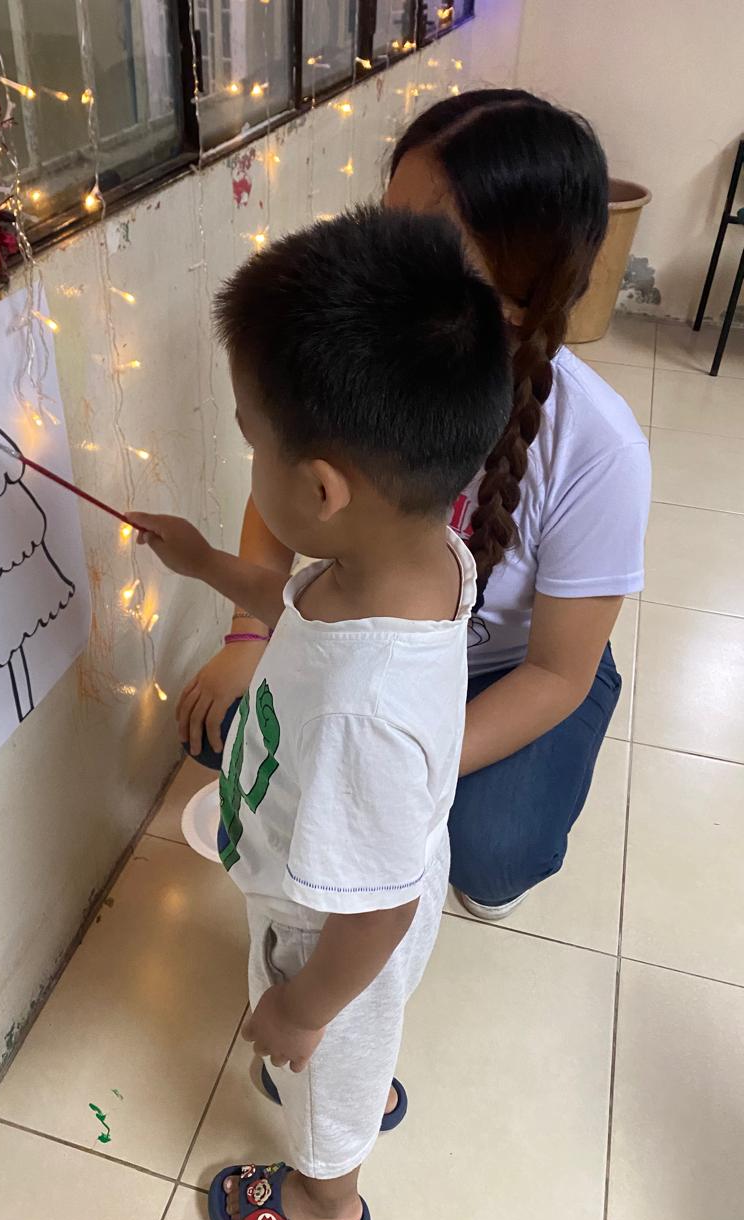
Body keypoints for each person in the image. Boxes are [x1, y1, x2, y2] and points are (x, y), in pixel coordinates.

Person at [129, 206, 513, 1220]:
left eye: (253, 442)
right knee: (347, 1041)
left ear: (322, 487)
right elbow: (293, 603)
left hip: (332, 926)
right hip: (353, 884)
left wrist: (304, 1006)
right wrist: (207, 561)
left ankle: (323, 1200)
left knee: (324, 1070)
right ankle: (356, 1070)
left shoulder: (364, 713)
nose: (249, 461)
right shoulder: (406, 560)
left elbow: (380, 906)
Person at [180, 90, 651, 919]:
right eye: (383, 225)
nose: (379, 264)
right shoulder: (366, 356)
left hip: (513, 666)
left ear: (520, 287)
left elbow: (557, 672)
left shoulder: (598, 448)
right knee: (230, 738)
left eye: (423, 244)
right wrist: (249, 639)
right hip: (373, 637)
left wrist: (401, 769)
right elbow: (280, 483)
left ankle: (487, 826)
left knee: (489, 849)